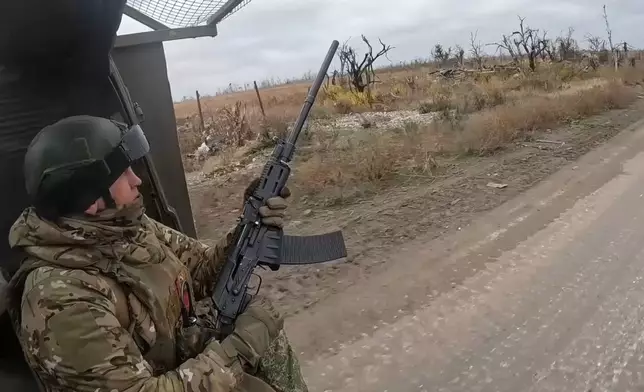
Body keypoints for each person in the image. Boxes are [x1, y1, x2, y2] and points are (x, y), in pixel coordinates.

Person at [3, 115, 308, 392]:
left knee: (268, 342)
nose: (137, 180)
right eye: (123, 174)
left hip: (187, 362)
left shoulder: (126, 226)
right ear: (89, 199)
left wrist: (249, 226)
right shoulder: (60, 299)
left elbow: (201, 269)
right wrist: (238, 349)